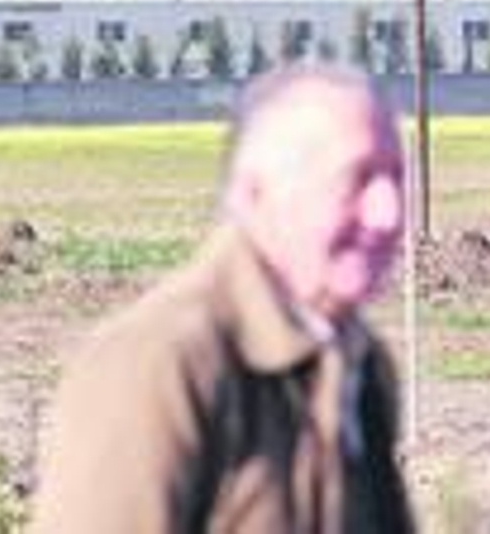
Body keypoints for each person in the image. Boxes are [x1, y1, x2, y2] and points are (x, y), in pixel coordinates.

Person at [33, 64, 415, 532]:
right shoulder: (160, 363)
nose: (388, 214)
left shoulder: (362, 365)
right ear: (254, 193)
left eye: (396, 178)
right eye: (356, 179)